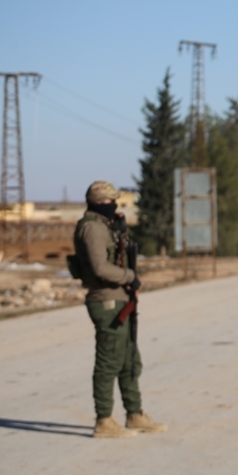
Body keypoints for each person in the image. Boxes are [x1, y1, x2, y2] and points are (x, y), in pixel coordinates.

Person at [73, 181, 166, 439]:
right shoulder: (92, 228)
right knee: (108, 361)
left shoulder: (104, 225)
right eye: (111, 201)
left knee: (128, 359)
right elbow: (101, 268)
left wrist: (120, 231)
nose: (115, 205)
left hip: (118, 299)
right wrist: (129, 277)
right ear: (100, 202)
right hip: (106, 300)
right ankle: (104, 421)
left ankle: (135, 415)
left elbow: (117, 254)